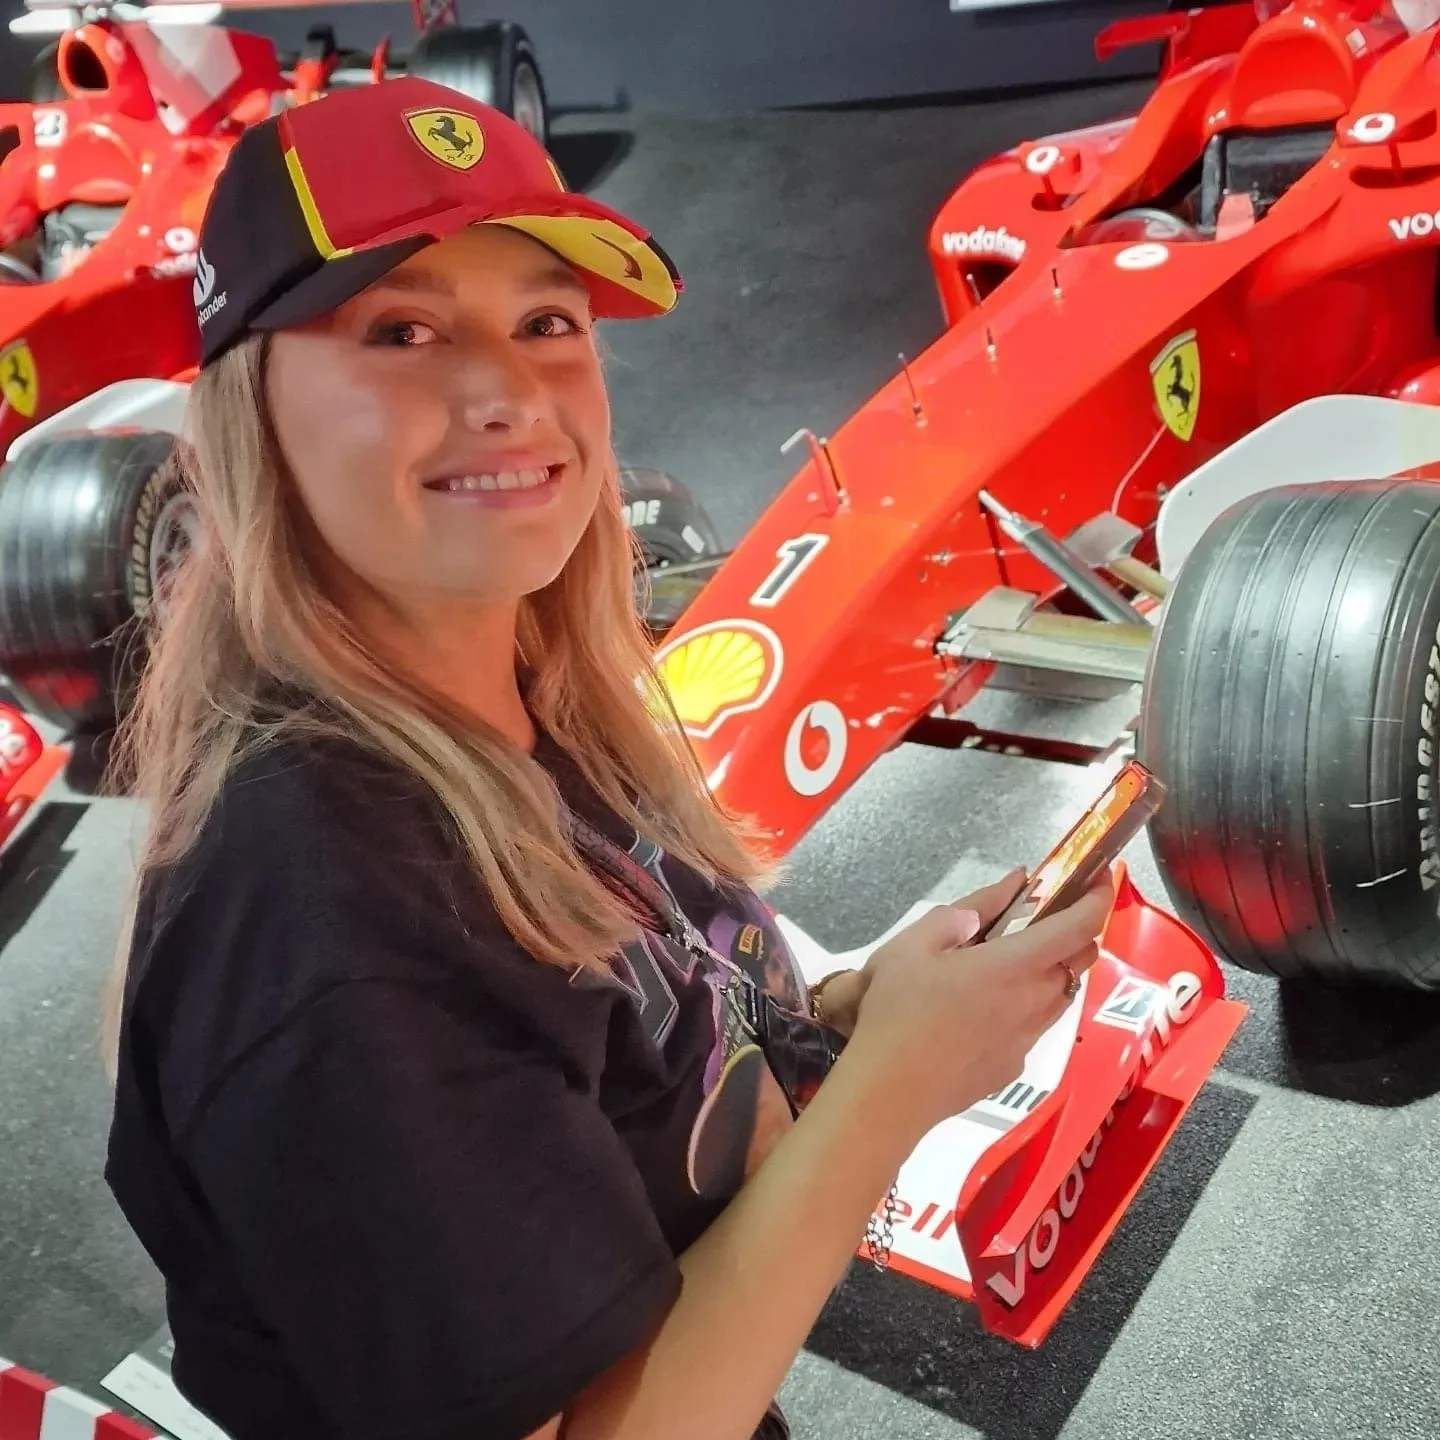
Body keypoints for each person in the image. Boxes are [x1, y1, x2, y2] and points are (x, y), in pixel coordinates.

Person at [101, 76, 1112, 1440]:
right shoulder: (326, 921)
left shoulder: (522, 692)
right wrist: (892, 1096)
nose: (509, 391)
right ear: (250, 414)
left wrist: (868, 1012)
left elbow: (646, 1054)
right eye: (400, 328)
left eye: (546, 322)